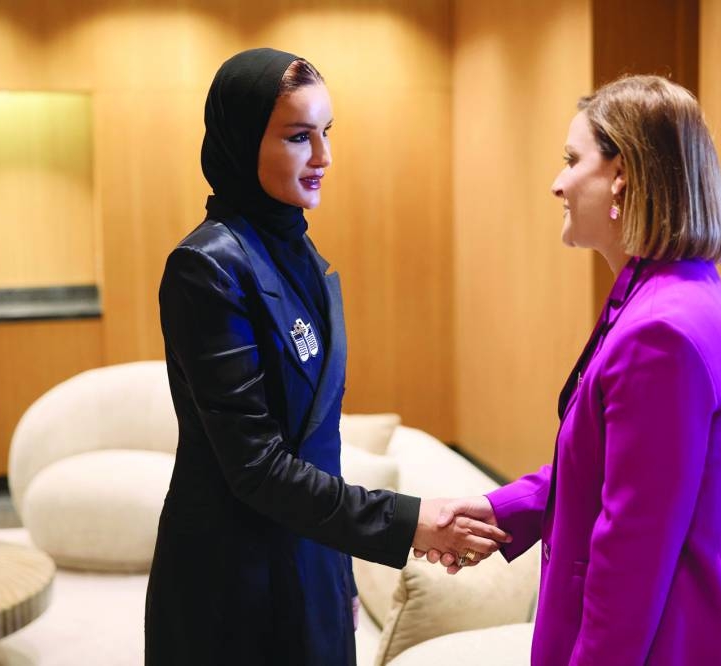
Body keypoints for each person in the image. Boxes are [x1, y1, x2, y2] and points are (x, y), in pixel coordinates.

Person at [144, 48, 507, 666]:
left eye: (327, 133)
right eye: (297, 137)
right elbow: (255, 466)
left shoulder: (299, 253)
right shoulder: (206, 267)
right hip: (232, 581)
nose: (324, 158)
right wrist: (408, 522)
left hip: (313, 556)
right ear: (239, 141)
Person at [421, 75, 721, 664]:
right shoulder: (668, 293)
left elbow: (631, 556)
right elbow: (609, 468)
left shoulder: (660, 330)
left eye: (571, 160)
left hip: (675, 640)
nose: (557, 183)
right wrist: (501, 508)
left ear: (622, 175)